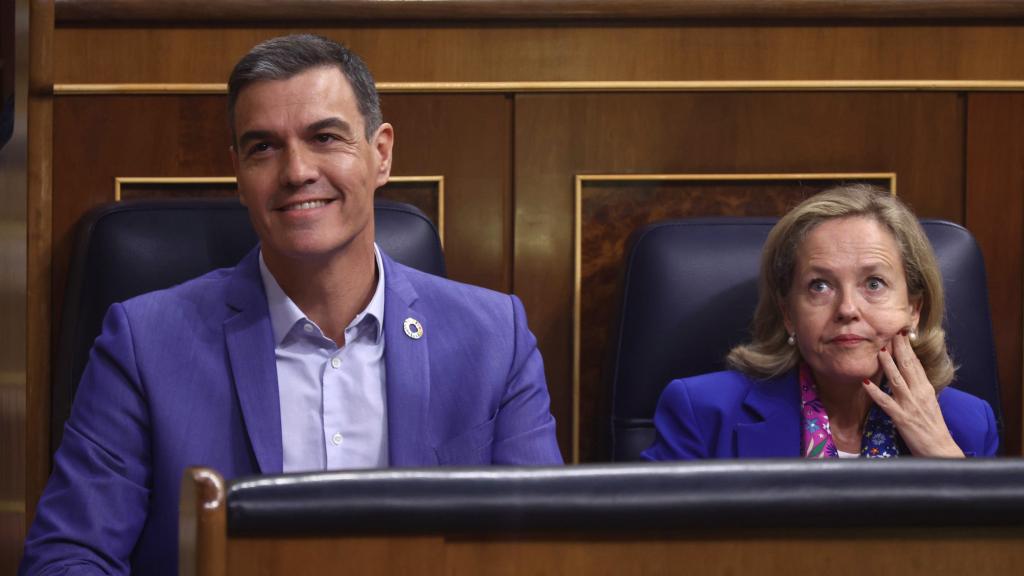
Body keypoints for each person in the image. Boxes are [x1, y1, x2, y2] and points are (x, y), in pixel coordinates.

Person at [21, 34, 562, 575]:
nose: (296, 171)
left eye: (325, 137)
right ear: (238, 173)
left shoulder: (495, 338)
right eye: (263, 147)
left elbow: (545, 553)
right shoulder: (144, 343)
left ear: (381, 154)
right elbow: (68, 556)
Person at [643, 184, 998, 461]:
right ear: (788, 314)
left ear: (914, 310)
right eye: (820, 286)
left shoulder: (967, 424)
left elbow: (994, 554)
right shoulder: (703, 413)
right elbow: (647, 551)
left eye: (874, 283)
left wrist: (943, 458)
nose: (847, 309)